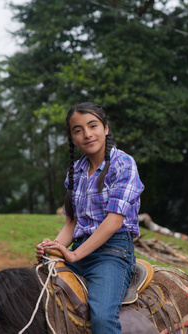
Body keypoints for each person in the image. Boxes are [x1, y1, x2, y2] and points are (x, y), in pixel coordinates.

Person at [36, 102, 144, 334]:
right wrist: (53, 248)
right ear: (72, 138)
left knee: (103, 319)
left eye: (92, 125)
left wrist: (74, 254)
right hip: (77, 251)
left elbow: (114, 222)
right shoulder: (75, 171)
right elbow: (71, 224)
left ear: (106, 128)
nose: (87, 134)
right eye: (78, 130)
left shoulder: (123, 163)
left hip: (111, 253)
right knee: (32, 297)